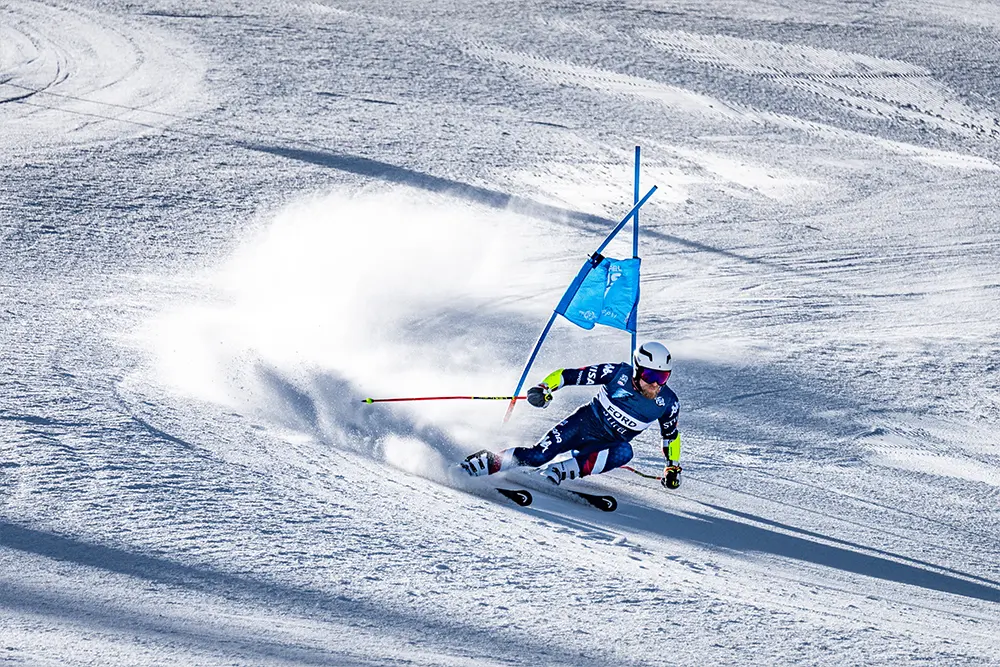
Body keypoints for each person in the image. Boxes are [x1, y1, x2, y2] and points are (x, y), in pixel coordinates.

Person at [461, 341, 682, 489]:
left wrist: (672, 466)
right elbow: (569, 375)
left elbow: (671, 437)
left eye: (662, 377)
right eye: (650, 375)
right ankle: (481, 463)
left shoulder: (668, 403)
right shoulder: (616, 374)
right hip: (581, 425)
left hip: (603, 447)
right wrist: (545, 387)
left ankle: (556, 472)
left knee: (625, 452)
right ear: (637, 370)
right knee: (538, 455)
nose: (655, 383)